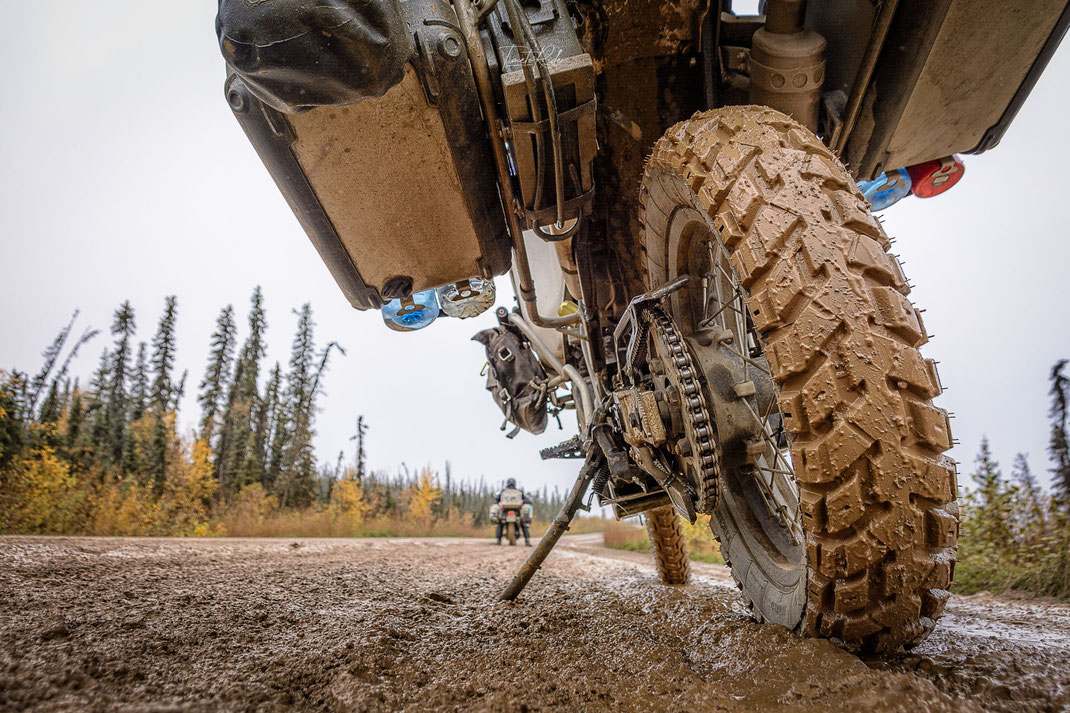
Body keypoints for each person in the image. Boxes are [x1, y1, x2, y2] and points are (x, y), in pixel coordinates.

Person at [495, 477, 533, 546]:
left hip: (505, 510)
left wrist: (499, 503)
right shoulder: (519, 491)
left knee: (500, 523)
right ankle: (527, 541)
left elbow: (497, 500)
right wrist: (523, 502)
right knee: (523, 524)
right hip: (517, 510)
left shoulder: (503, 491)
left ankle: (498, 540)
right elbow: (528, 500)